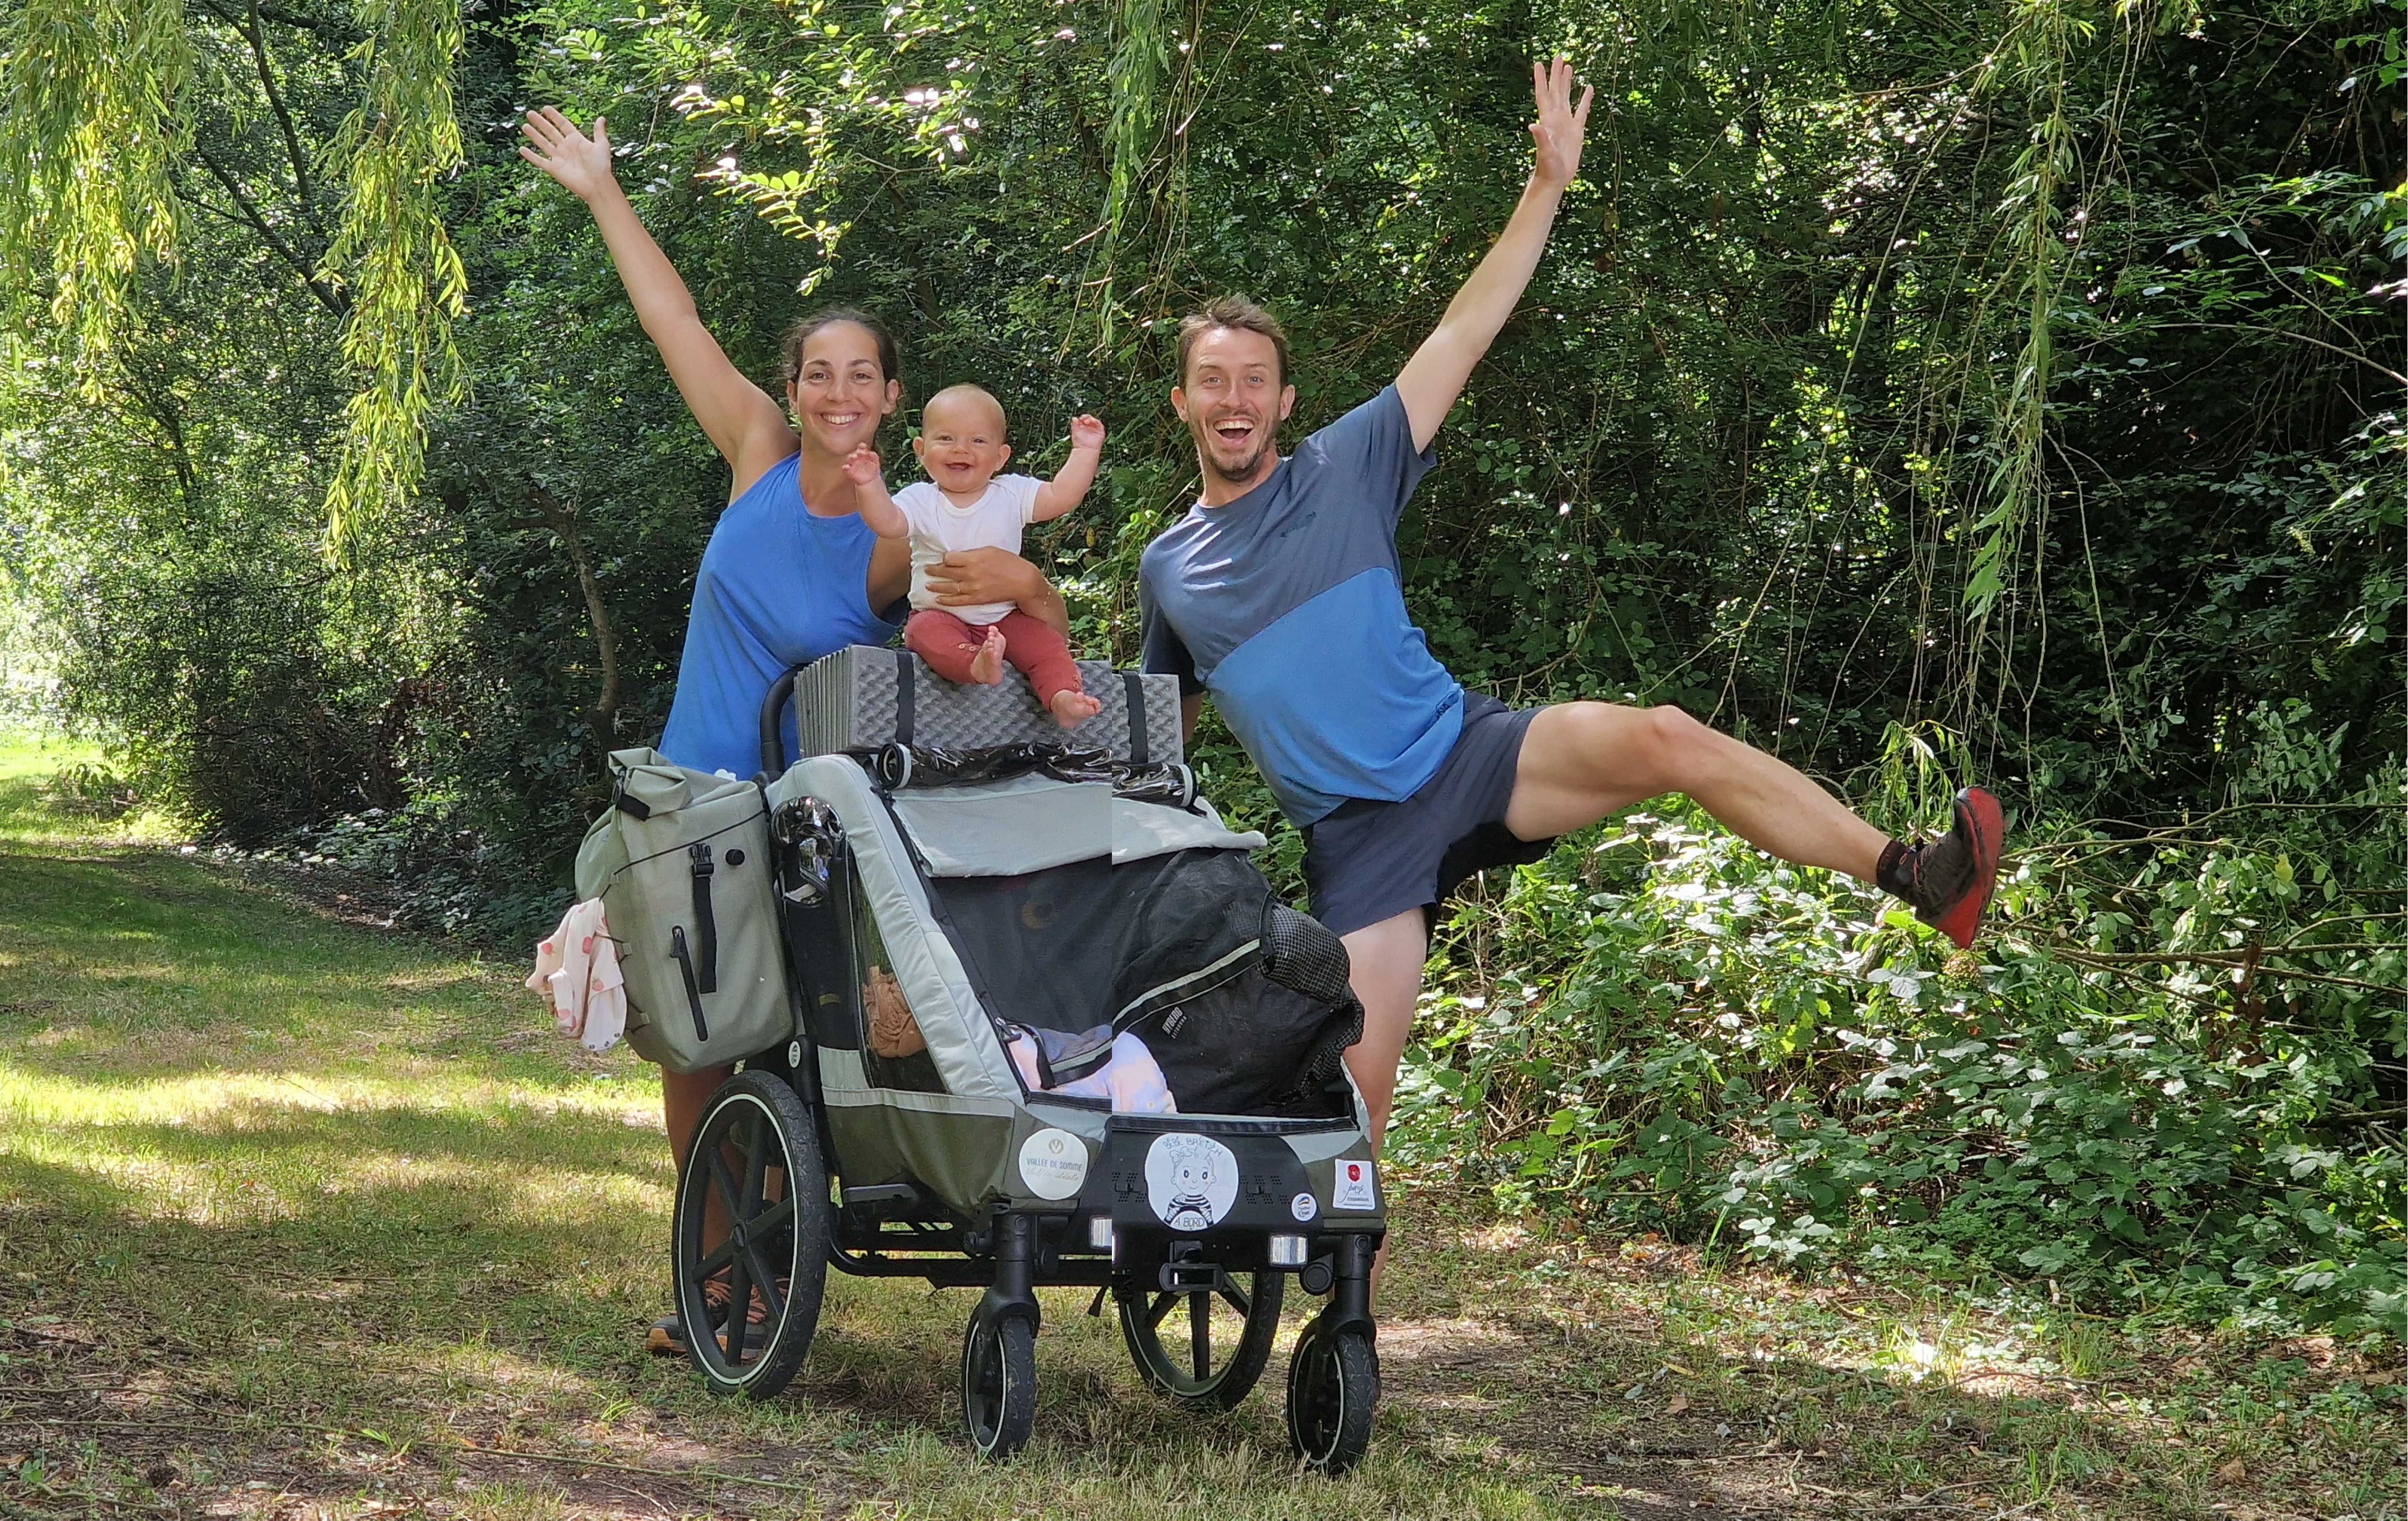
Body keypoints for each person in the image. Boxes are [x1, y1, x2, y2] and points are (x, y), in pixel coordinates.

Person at [1136, 60, 2005, 1179]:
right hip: (1359, 840)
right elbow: (1163, 735)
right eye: (1215, 381)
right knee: (1357, 1107)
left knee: (1669, 736)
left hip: (1466, 751)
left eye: (1256, 379)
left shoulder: (1345, 465)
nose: (1237, 400)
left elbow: (1463, 330)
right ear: (1184, 402)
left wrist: (1549, 185)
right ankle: (1343, 1329)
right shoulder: (1171, 569)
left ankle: (1918, 876)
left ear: (1287, 400)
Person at [518, 105, 1067, 1351]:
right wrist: (605, 193)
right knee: (692, 1046)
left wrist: (1034, 603)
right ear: (795, 387)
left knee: (777, 1041)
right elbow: (676, 323)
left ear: (891, 398)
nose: (836, 391)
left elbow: (991, 589)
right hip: (688, 797)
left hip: (800, 814)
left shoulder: (891, 538)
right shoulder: (757, 452)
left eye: (860, 374)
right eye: (819, 370)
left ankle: (751, 1274)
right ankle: (719, 1272)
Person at [843, 385, 1107, 725]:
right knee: (922, 632)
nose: (961, 449)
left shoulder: (1011, 493)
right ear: (921, 451)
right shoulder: (922, 499)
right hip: (942, 614)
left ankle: (1064, 698)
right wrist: (868, 484)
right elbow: (888, 522)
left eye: (978, 441)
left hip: (1005, 617)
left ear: (1001, 456)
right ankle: (977, 664)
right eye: (946, 439)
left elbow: (1061, 495)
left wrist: (1085, 451)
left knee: (1047, 646)